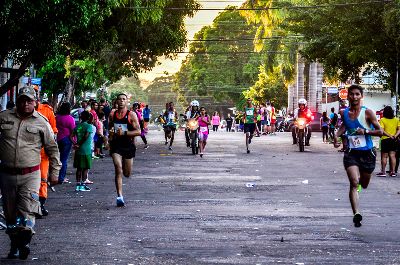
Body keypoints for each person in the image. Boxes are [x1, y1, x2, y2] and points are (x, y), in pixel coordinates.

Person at [0, 86, 61, 260]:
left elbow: (52, 149)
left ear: (35, 102)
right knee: (10, 213)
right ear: (17, 100)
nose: (25, 104)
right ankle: (15, 245)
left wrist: (55, 172)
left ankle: (25, 239)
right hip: (6, 174)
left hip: (31, 175)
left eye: (29, 101)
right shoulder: (4, 117)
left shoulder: (42, 122)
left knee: (27, 209)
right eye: (22, 100)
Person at [333, 84, 382, 228]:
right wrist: (336, 135)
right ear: (347, 96)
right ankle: (356, 213)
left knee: (363, 184)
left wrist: (365, 132)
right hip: (351, 153)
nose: (354, 97)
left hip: (368, 153)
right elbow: (344, 126)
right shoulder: (344, 112)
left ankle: (361, 183)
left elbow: (380, 131)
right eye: (352, 94)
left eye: (357, 94)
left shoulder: (368, 113)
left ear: (361, 96)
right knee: (354, 182)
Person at [108, 94, 141, 207]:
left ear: (127, 101)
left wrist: (125, 133)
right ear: (116, 101)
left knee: (126, 173)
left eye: (124, 99)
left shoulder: (131, 115)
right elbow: (110, 127)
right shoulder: (112, 114)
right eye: (120, 99)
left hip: (128, 145)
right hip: (116, 145)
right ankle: (120, 196)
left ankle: (124, 165)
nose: (121, 101)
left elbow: (138, 131)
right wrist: (111, 134)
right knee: (118, 169)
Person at [35, 92, 58, 217]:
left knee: (43, 179)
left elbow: (54, 132)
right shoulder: (18, 114)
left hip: (43, 154)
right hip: (27, 154)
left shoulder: (47, 111)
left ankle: (40, 205)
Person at [376, 106, 400, 177]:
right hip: (394, 140)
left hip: (385, 139)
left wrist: (389, 135)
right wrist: (395, 136)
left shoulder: (382, 120)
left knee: (384, 156)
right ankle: (392, 172)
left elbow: (382, 130)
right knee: (393, 156)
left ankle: (383, 172)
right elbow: (399, 129)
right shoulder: (396, 120)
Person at [56, 102, 76, 184]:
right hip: (67, 140)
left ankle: (55, 176)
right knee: (64, 159)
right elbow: (73, 131)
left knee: (57, 159)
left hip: (57, 139)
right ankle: (61, 178)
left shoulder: (56, 117)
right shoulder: (70, 118)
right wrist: (75, 142)